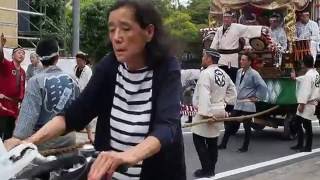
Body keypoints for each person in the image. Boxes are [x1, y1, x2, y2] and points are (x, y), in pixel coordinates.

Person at [5, 1, 186, 180]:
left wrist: (127, 155)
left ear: (149, 32)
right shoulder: (109, 66)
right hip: (109, 174)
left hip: (158, 173)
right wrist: (26, 143)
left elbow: (166, 126)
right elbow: (73, 115)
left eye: (125, 28)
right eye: (112, 29)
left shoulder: (167, 67)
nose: (116, 37)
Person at [5, 39, 80, 150]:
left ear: (39, 58)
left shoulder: (35, 81)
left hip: (44, 143)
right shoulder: (72, 79)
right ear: (57, 57)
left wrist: (16, 138)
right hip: (69, 140)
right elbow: (82, 108)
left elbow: (28, 118)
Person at [191, 49, 237, 178]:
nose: (202, 58)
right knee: (212, 141)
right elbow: (232, 90)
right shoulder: (223, 73)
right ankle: (211, 169)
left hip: (207, 111)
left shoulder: (206, 73)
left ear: (209, 58)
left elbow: (204, 94)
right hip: (219, 110)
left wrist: (206, 113)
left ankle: (207, 169)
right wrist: (226, 105)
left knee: (198, 139)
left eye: (203, 56)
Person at [218, 54, 268, 152]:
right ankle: (223, 144)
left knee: (247, 126)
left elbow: (263, 86)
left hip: (248, 103)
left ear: (249, 62)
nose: (241, 61)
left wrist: (257, 97)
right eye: (241, 60)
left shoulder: (254, 74)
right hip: (238, 102)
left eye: (244, 60)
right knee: (230, 123)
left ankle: (245, 147)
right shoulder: (239, 71)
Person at [210, 11, 264, 82]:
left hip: (232, 57)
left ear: (231, 19)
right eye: (225, 17)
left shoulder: (237, 27)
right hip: (221, 58)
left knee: (231, 78)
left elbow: (248, 29)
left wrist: (261, 29)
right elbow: (214, 44)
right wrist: (210, 54)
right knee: (221, 78)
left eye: (228, 18)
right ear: (223, 18)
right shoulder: (219, 30)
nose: (226, 19)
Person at [290, 54, 320, 152]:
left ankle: (307, 147)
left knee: (306, 126)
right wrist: (296, 78)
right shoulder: (315, 74)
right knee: (298, 123)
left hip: (307, 104)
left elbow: (305, 90)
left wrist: (302, 105)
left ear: (303, 63)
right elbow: (305, 79)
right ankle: (300, 144)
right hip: (311, 102)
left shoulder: (309, 75)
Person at [0, 33, 26, 140]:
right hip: (3, 105)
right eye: (19, 52)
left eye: (23, 53)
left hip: (15, 107)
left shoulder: (23, 72)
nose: (21, 54)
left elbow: (23, 90)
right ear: (12, 55)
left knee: (10, 134)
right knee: (2, 132)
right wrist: (1, 45)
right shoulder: (6, 65)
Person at [74, 51, 94, 143]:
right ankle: (79, 127)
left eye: (79, 60)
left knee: (86, 114)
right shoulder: (75, 68)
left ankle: (90, 134)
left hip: (85, 94)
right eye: (77, 60)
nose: (78, 62)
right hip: (76, 93)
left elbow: (89, 83)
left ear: (84, 61)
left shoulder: (88, 70)